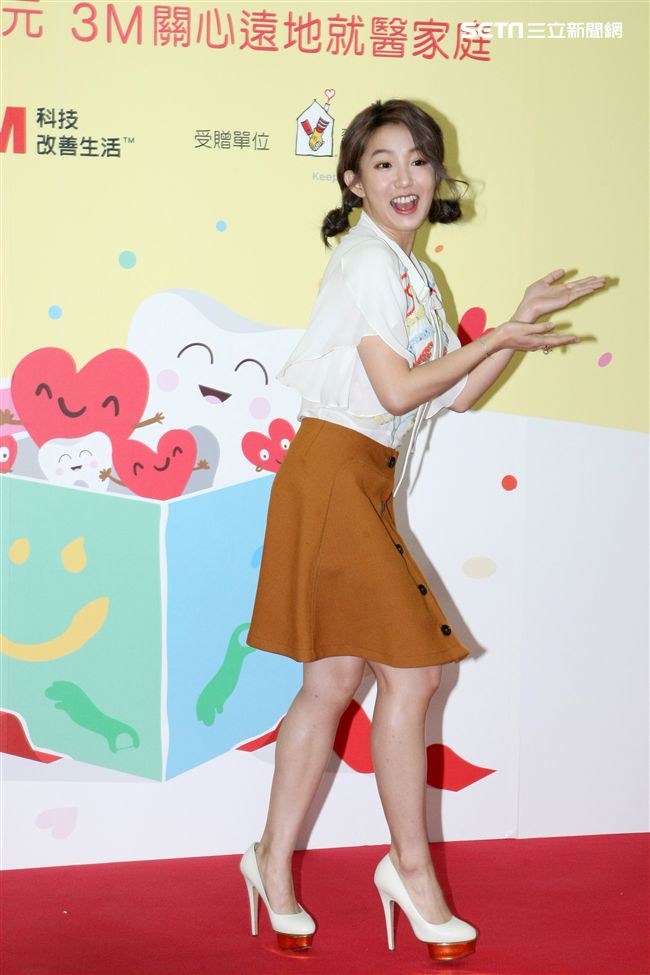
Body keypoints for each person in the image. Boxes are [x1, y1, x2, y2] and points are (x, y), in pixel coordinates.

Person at [240, 99, 605, 962]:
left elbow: (456, 394)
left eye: (418, 160)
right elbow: (399, 391)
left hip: (361, 480)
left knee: (333, 682)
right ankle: (408, 869)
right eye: (383, 163)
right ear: (353, 181)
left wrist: (511, 327)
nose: (405, 178)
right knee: (414, 674)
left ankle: (270, 860)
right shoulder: (368, 260)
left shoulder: (411, 272)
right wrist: (496, 335)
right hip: (334, 474)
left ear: (437, 175)